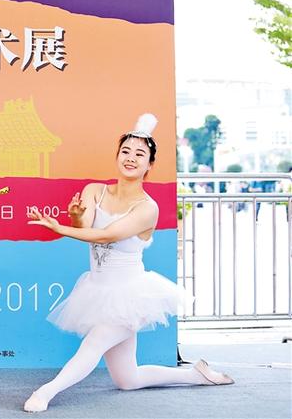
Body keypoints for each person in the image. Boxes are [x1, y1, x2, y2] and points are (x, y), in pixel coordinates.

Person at [23, 114, 233, 413]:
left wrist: (60, 228)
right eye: (125, 151)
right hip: (98, 289)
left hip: (130, 295)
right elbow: (87, 228)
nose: (131, 158)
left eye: (139, 154)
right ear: (117, 156)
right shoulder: (94, 191)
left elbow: (107, 235)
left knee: (94, 344)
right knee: (127, 379)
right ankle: (196, 375)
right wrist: (75, 217)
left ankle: (45, 392)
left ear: (149, 165)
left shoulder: (148, 208)